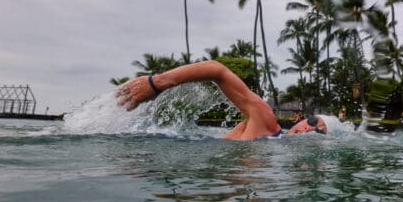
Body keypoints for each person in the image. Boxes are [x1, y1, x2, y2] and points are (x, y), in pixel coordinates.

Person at [116, 60, 327, 139]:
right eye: (311, 122)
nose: (310, 129)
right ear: (301, 119)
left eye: (318, 132)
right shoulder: (267, 122)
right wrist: (156, 83)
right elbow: (218, 71)